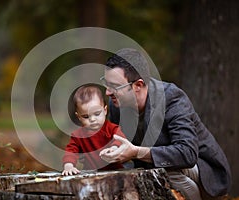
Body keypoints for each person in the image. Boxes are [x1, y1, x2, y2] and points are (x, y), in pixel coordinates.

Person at [99, 48, 232, 200]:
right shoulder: (117, 103)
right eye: (106, 83)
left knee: (162, 169)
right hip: (158, 165)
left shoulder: (171, 98)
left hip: (204, 169)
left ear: (138, 85)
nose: (108, 92)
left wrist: (136, 152)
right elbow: (122, 148)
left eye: (115, 86)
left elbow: (187, 153)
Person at [62, 84, 127, 176]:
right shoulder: (78, 135)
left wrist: (114, 148)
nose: (92, 119)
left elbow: (119, 139)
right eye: (86, 116)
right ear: (78, 117)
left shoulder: (112, 128)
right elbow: (71, 151)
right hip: (91, 174)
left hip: (115, 172)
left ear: (105, 110)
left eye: (97, 114)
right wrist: (69, 165)